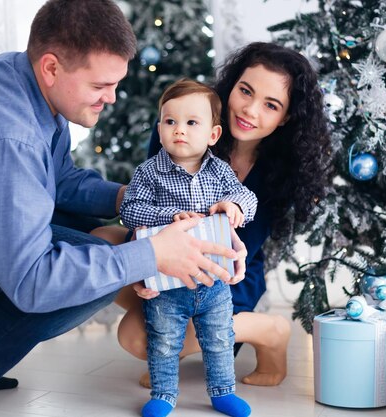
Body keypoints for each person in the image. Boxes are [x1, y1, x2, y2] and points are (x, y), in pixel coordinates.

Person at [0, 1, 245, 416]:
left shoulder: (21, 79)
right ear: (52, 67)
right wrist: (152, 254)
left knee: (84, 229)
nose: (112, 98)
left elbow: (56, 181)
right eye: (100, 86)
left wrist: (133, 199)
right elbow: (34, 281)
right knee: (101, 268)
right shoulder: (6, 138)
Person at [116, 42, 332, 388]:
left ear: (285, 117)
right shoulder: (184, 126)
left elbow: (239, 247)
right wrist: (142, 257)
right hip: (167, 253)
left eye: (270, 105)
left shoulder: (281, 171)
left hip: (227, 269)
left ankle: (268, 330)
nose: (249, 110)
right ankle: (166, 337)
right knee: (103, 242)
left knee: (135, 339)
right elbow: (142, 212)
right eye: (245, 91)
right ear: (231, 85)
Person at [119, 79, 256, 417]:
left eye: (192, 122)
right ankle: (164, 394)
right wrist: (169, 215)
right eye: (170, 121)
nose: (179, 130)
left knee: (220, 339)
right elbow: (129, 210)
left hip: (214, 281)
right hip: (167, 282)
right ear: (160, 128)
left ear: (212, 134)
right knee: (163, 342)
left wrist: (235, 206)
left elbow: (247, 197)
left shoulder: (220, 172)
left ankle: (223, 392)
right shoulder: (150, 172)